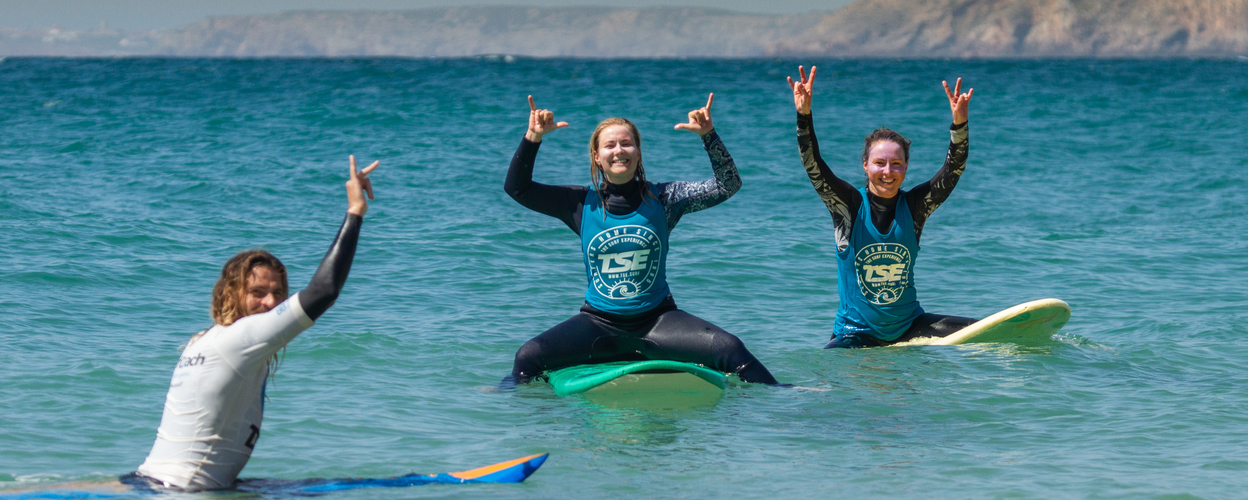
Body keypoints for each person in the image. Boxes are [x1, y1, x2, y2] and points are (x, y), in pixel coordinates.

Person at [129, 157, 379, 490]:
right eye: (257, 293)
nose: (271, 303)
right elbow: (324, 291)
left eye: (278, 293)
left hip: (150, 480)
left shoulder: (203, 340)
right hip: (184, 490)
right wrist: (355, 211)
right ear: (231, 294)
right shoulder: (242, 336)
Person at [504, 94, 779, 384]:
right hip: (599, 325)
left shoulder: (666, 198)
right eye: (609, 145)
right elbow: (517, 188)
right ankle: (512, 399)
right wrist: (533, 137)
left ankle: (783, 395)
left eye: (626, 143)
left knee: (731, 349)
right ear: (597, 157)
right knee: (528, 356)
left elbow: (728, 184)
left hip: (658, 323)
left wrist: (708, 135)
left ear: (638, 152)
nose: (619, 150)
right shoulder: (580, 204)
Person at [788, 65, 977, 348]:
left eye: (896, 163)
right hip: (855, 332)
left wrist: (959, 126)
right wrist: (804, 116)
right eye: (880, 163)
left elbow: (953, 171)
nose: (888, 171)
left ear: (906, 167)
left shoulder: (914, 207)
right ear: (865, 165)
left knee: (982, 329)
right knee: (829, 364)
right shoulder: (848, 205)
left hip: (910, 325)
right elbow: (813, 165)